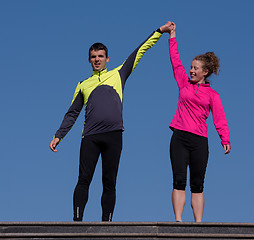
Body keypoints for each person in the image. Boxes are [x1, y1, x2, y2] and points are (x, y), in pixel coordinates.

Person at [49, 22, 173, 221]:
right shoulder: (83, 85)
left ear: (107, 59)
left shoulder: (118, 73)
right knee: (84, 179)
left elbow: (140, 50)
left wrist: (159, 31)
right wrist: (58, 136)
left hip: (114, 135)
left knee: (109, 181)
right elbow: (72, 113)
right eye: (93, 57)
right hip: (90, 136)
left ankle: (106, 222)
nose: (97, 60)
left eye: (100, 56)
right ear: (89, 60)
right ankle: (77, 222)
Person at [166, 23, 231, 222]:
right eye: (191, 67)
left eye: (195, 68)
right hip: (179, 137)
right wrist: (172, 35)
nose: (191, 70)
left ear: (205, 72)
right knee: (179, 181)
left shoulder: (213, 95)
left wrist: (224, 138)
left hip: (199, 141)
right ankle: (178, 221)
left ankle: (198, 224)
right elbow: (175, 61)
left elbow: (220, 118)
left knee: (198, 184)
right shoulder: (184, 83)